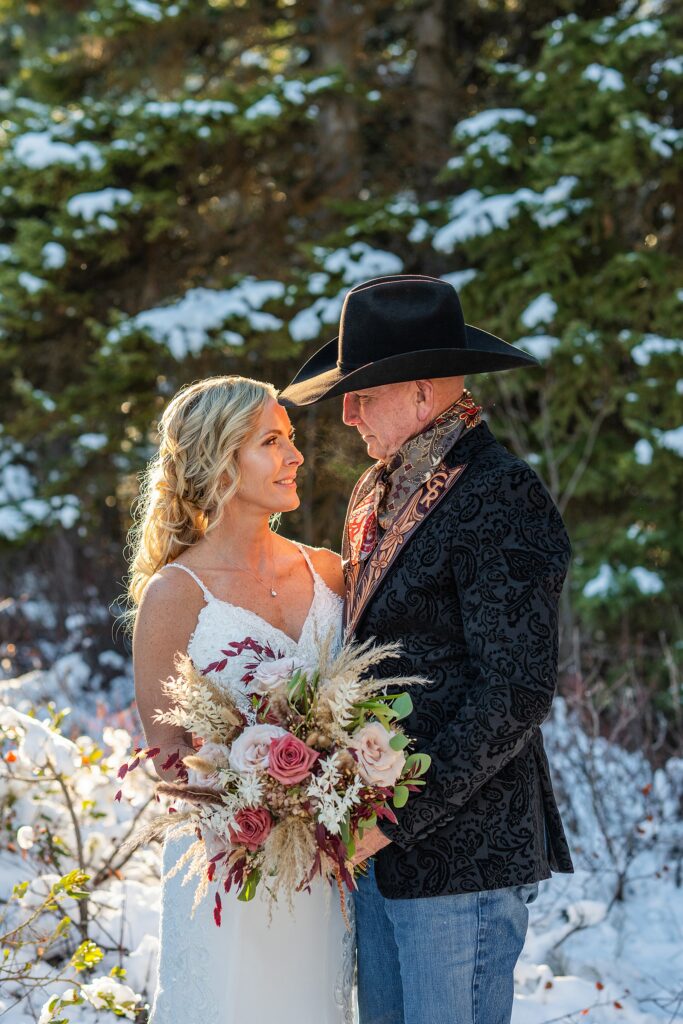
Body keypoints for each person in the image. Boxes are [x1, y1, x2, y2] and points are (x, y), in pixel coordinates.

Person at [280, 274, 574, 1024]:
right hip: (375, 851)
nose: (346, 414)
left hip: (462, 856)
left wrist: (395, 818)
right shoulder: (373, 491)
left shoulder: (499, 493)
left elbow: (515, 690)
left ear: (421, 393)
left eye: (363, 394)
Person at [127, 375, 353, 1024]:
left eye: (290, 439)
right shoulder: (175, 592)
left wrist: (329, 789)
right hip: (229, 868)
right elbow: (167, 756)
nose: (295, 456)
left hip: (321, 865)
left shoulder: (328, 571)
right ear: (220, 460)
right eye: (271, 442)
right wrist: (256, 799)